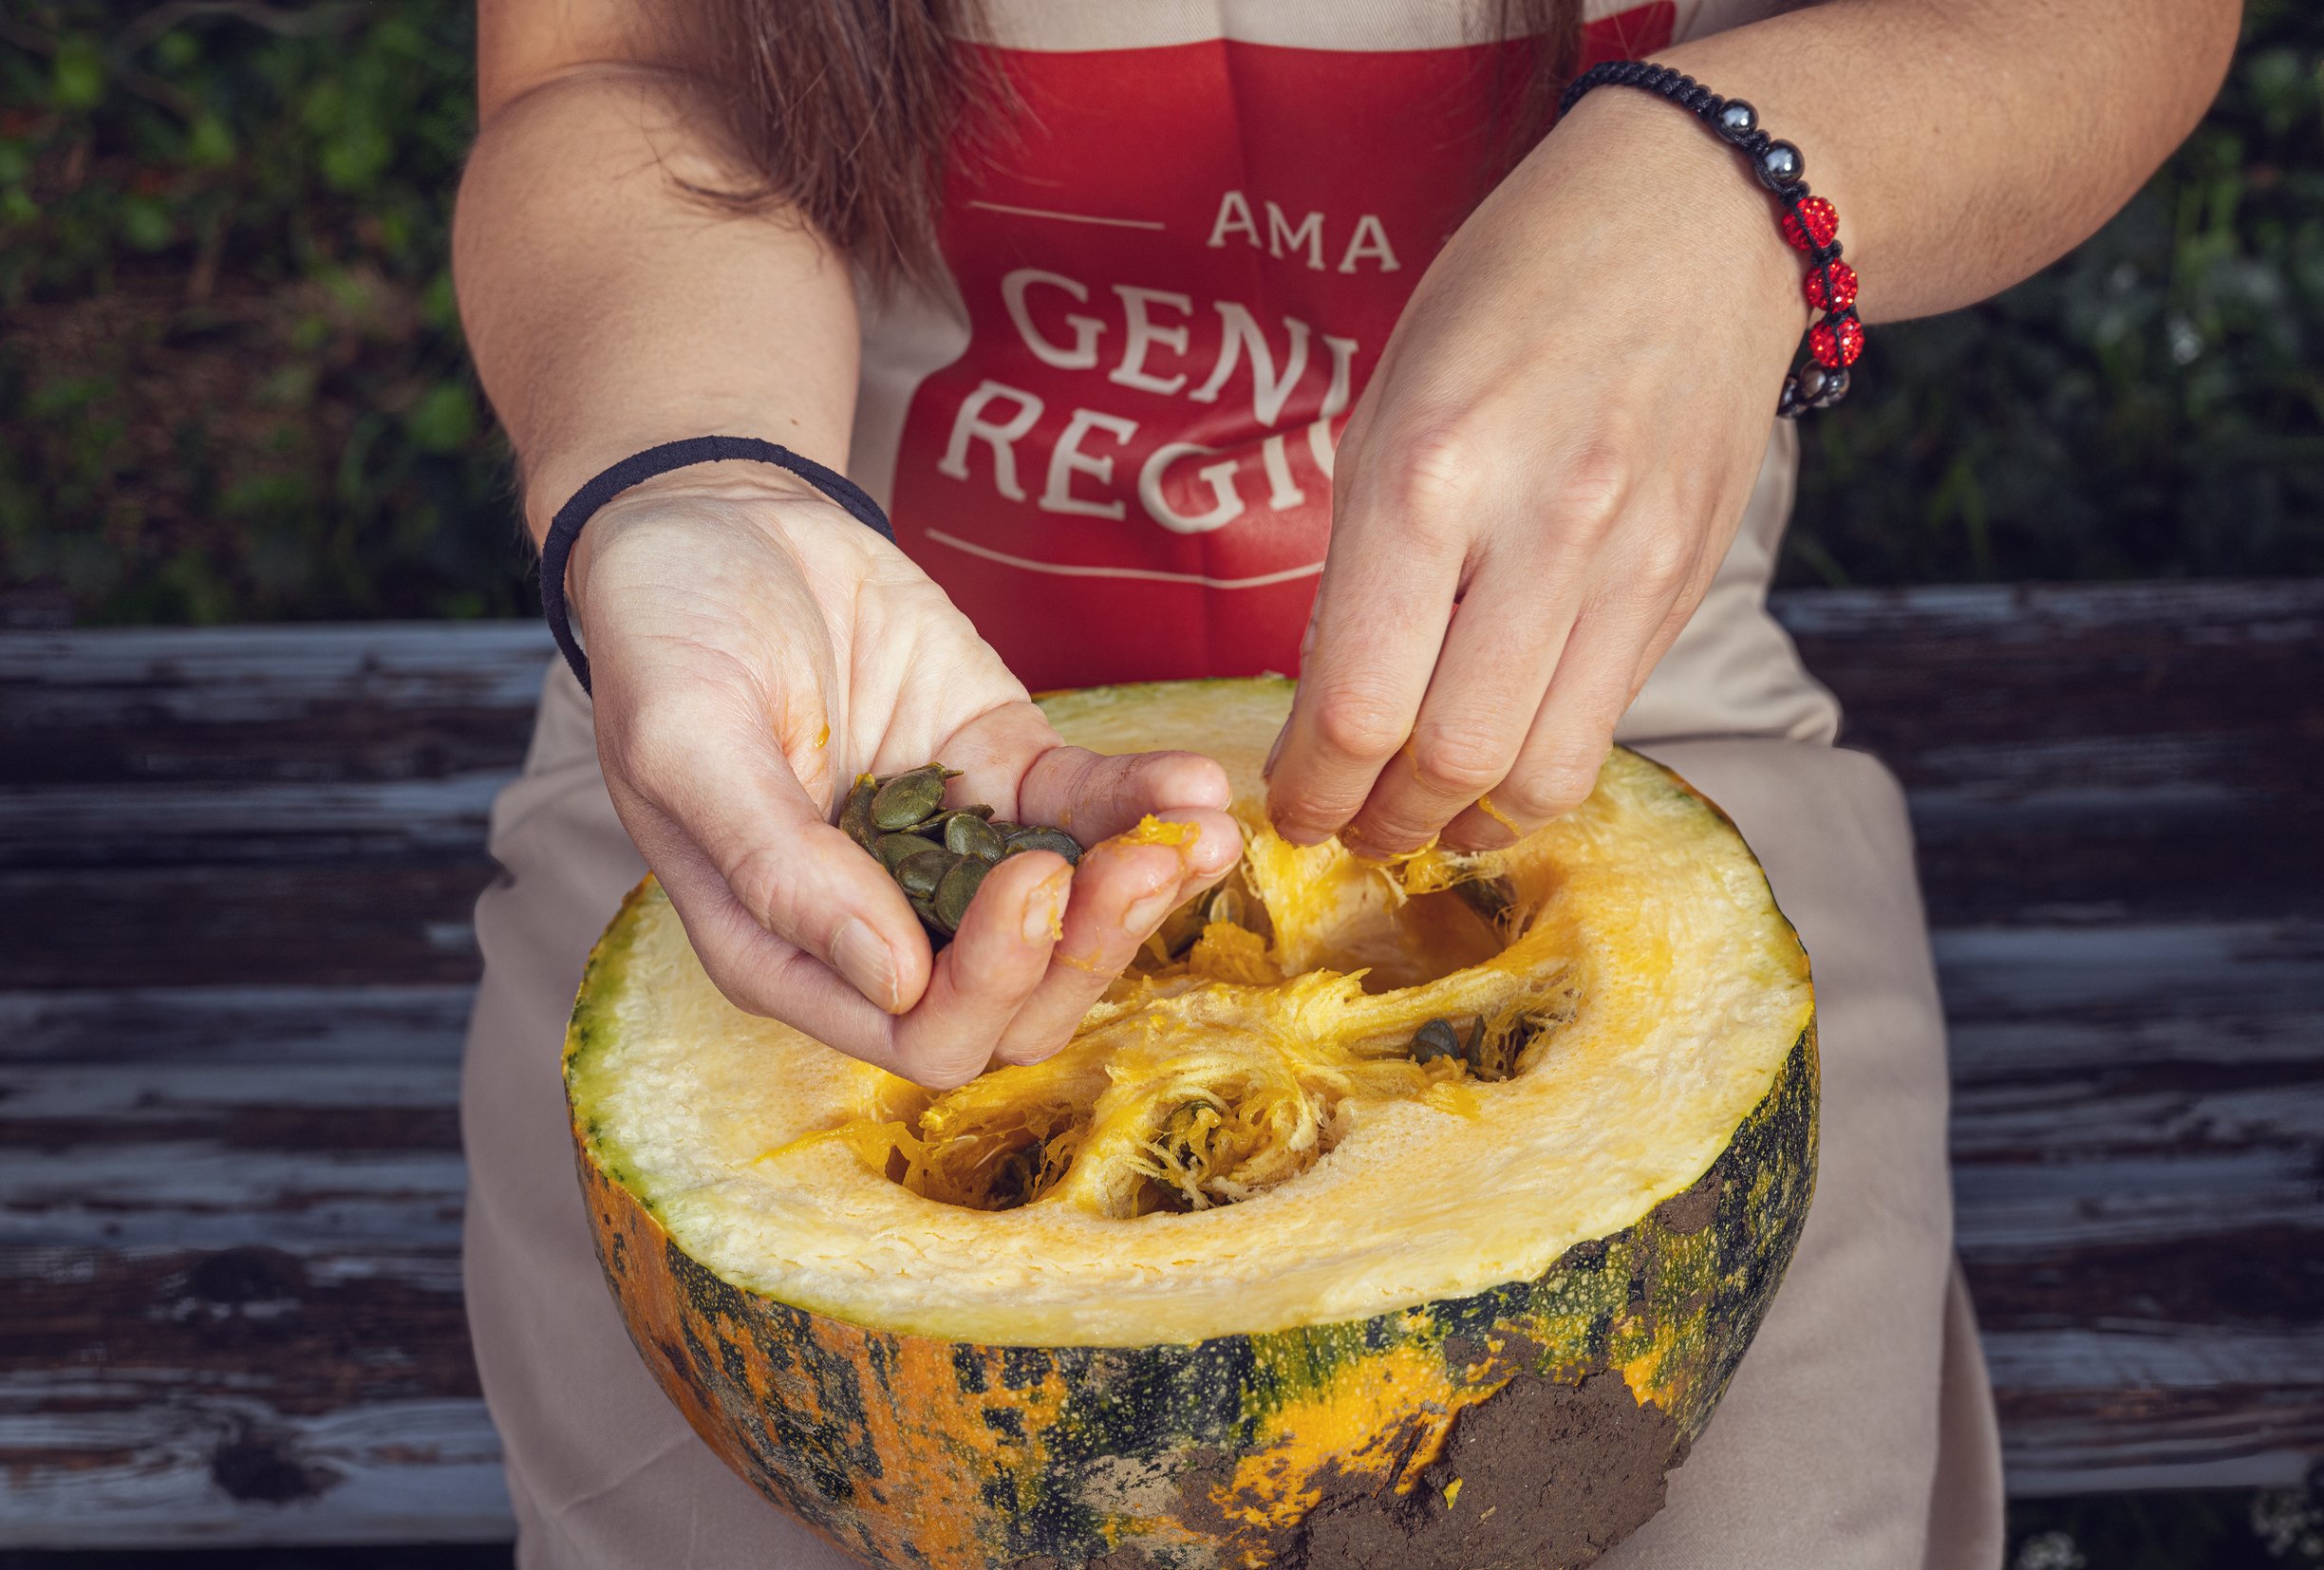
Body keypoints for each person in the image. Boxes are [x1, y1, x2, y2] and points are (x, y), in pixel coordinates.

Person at [451, 1, 2237, 1564]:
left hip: (1636, 731)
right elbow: (619, 72)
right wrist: (698, 480)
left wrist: (1745, 177)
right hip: (792, 736)